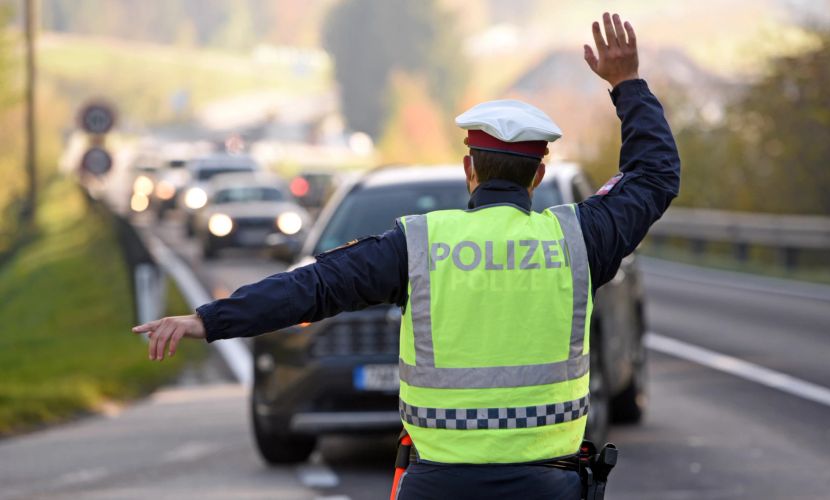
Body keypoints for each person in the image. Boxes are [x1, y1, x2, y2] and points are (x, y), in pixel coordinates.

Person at [133, 12, 679, 500]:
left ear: (470, 170)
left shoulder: (419, 245)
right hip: (547, 484)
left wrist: (207, 319)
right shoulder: (577, 241)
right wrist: (626, 84)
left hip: (438, 486)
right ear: (538, 176)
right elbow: (654, 175)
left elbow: (313, 287)